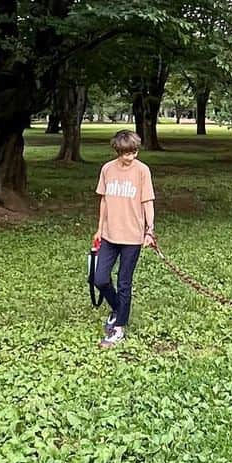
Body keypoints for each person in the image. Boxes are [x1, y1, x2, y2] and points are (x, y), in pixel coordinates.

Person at [93, 130, 156, 348]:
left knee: (124, 283)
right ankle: (118, 308)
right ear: (118, 151)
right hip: (110, 234)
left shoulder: (142, 171)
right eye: (127, 153)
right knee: (99, 279)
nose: (131, 157)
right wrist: (99, 229)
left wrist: (150, 231)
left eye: (134, 152)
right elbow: (103, 201)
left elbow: (147, 201)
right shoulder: (107, 169)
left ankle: (118, 328)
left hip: (132, 237)